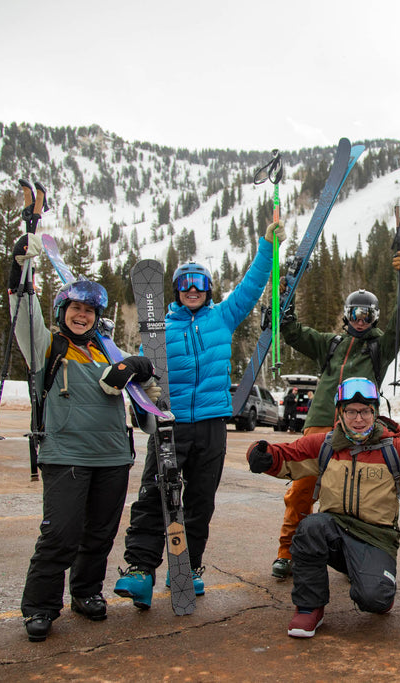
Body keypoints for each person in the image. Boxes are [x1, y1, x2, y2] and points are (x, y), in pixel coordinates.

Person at [113, 220, 284, 609]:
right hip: (169, 426)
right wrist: (146, 394)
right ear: (176, 290)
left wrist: (268, 246)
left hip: (210, 425)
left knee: (199, 501)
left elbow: (252, 286)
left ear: (208, 290)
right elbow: (144, 374)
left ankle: (187, 569)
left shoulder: (222, 318)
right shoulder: (160, 329)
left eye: (199, 283)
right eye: (185, 283)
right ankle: (140, 569)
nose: (192, 289)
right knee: (155, 495)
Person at [8, 236, 159, 642]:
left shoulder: (105, 351)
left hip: (112, 456)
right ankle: (40, 607)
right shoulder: (48, 347)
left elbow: (146, 381)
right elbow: (24, 316)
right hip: (66, 455)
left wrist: (136, 365)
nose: (82, 315)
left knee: (98, 535)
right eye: (75, 308)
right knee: (60, 534)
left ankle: (86, 592)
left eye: (89, 310)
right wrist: (18, 270)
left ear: (97, 317)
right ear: (62, 311)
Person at [247, 377, 400, 638]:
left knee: (374, 600)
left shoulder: (394, 449)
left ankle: (373, 581)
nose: (358, 419)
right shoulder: (325, 445)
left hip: (375, 538)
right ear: (340, 413)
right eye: (351, 411)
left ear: (375, 412)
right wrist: (261, 456)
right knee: (310, 527)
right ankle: (309, 608)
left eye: (365, 411)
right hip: (333, 531)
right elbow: (286, 455)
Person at [268, 251, 400, 580]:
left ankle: (354, 554)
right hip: (320, 423)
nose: (360, 320)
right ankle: (287, 551)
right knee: (302, 489)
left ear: (374, 317)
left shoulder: (380, 347)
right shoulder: (330, 344)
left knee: (355, 495)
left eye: (367, 314)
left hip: (359, 429)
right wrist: (284, 302)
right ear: (346, 315)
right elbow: (293, 333)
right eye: (355, 313)